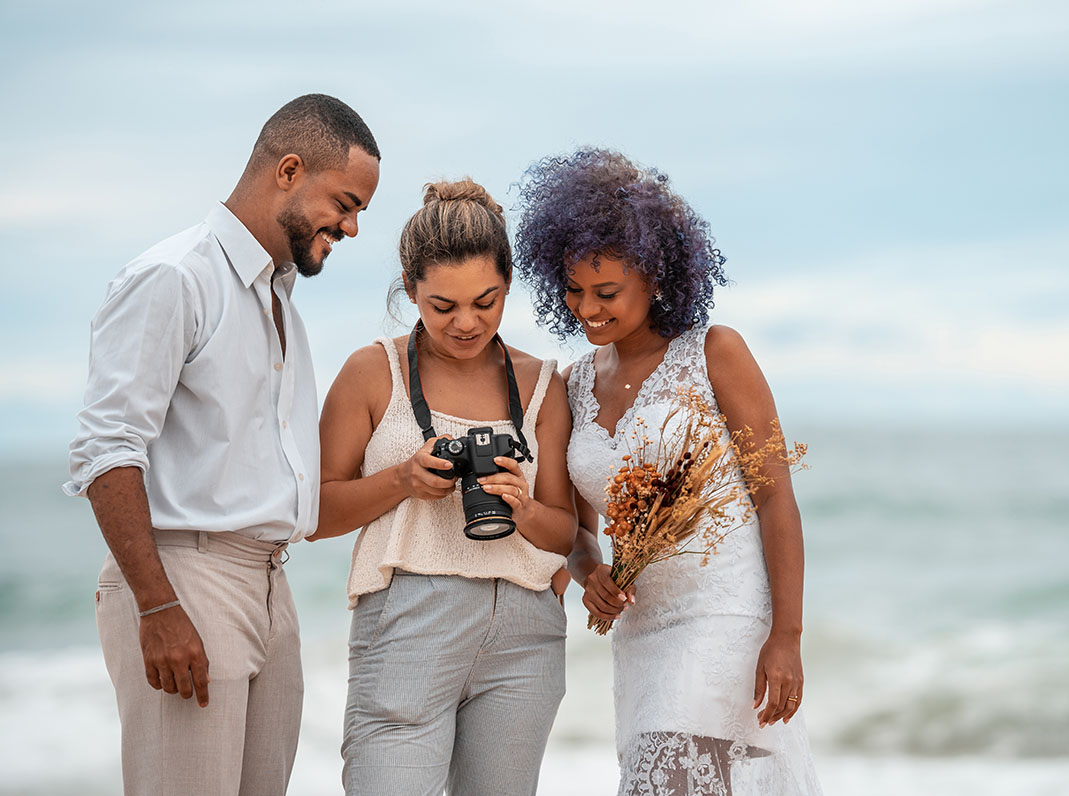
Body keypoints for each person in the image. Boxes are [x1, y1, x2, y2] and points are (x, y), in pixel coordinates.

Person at [64, 94, 381, 796]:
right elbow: (106, 450)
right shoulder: (175, 278)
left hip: (270, 583)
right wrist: (157, 606)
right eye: (347, 203)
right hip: (187, 579)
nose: (353, 227)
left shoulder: (280, 305)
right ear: (290, 171)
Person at [515, 148, 823, 794]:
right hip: (641, 636)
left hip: (727, 620)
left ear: (655, 278)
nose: (587, 309)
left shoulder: (715, 355)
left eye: (607, 293)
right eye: (573, 290)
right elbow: (578, 527)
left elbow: (775, 501)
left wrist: (787, 636)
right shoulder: (572, 386)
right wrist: (589, 572)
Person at [313, 178, 576, 795]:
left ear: (509, 284)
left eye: (486, 302)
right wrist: (403, 480)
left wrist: (523, 503)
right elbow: (313, 513)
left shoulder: (543, 385)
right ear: (410, 290)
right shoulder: (371, 371)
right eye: (442, 306)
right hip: (408, 618)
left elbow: (565, 532)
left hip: (524, 631)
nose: (466, 323)